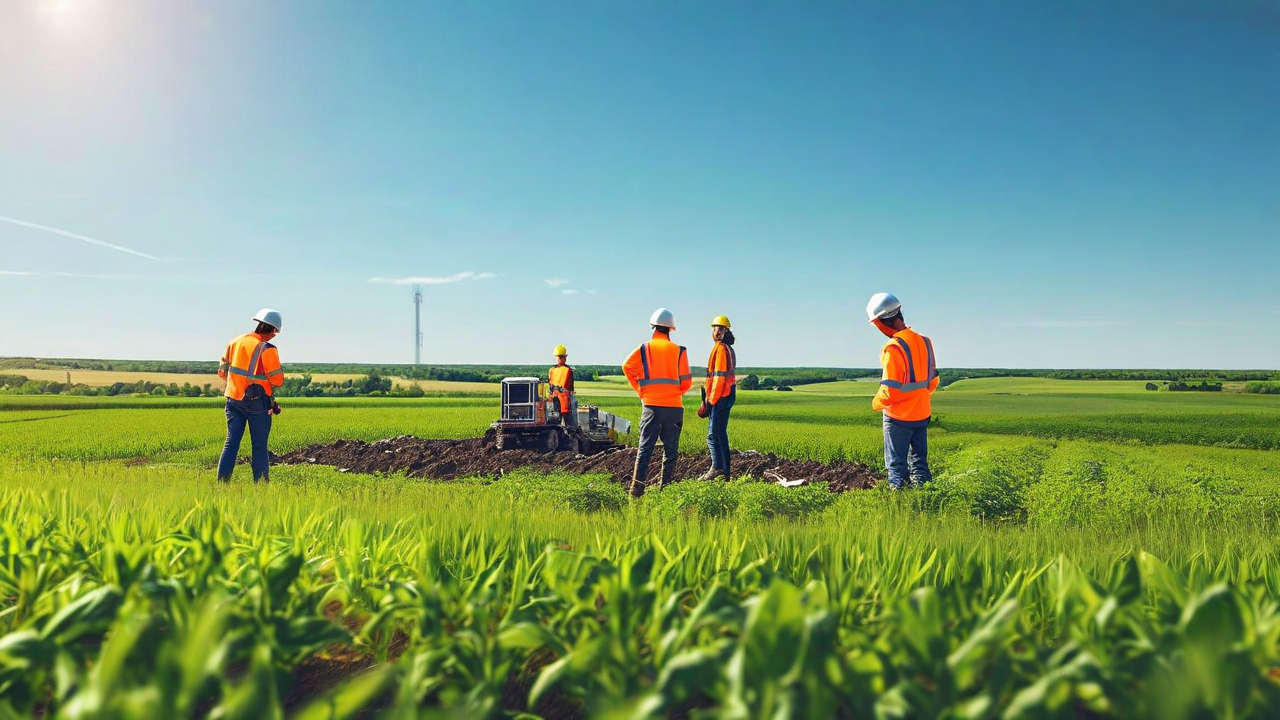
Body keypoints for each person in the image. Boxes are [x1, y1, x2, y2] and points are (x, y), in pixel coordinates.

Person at [866, 293, 939, 489]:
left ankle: (899, 505)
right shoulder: (925, 341)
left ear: (882, 322)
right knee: (920, 464)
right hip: (922, 414)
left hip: (898, 417)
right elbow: (933, 382)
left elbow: (890, 391)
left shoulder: (893, 348)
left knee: (897, 467)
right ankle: (927, 499)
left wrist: (875, 403)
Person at [622, 308, 692, 497]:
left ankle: (636, 490)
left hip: (651, 406)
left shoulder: (644, 348)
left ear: (653, 327)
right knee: (670, 451)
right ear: (671, 329)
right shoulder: (679, 351)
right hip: (674, 408)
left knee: (645, 448)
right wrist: (673, 393)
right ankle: (666, 489)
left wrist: (641, 390)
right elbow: (687, 382)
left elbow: (627, 367)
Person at [216, 308, 285, 483]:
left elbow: (223, 372)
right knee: (259, 447)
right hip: (257, 403)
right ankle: (261, 489)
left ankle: (221, 486)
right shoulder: (267, 348)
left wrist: (237, 385)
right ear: (271, 330)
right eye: (275, 332)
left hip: (233, 400)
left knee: (231, 444)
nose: (274, 336)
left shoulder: (235, 342)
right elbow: (277, 381)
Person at [700, 315, 737, 481]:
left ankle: (717, 468)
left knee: (713, 435)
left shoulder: (721, 349)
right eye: (715, 328)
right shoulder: (726, 348)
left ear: (726, 331)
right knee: (721, 434)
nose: (716, 332)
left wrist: (711, 401)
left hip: (721, 395)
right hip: (726, 393)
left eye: (720, 329)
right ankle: (725, 472)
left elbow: (719, 378)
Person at [548, 344, 577, 426]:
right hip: (564, 401)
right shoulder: (568, 370)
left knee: (555, 422)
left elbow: (550, 385)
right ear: (564, 358)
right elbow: (571, 388)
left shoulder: (552, 370)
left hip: (554, 399)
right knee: (569, 424)